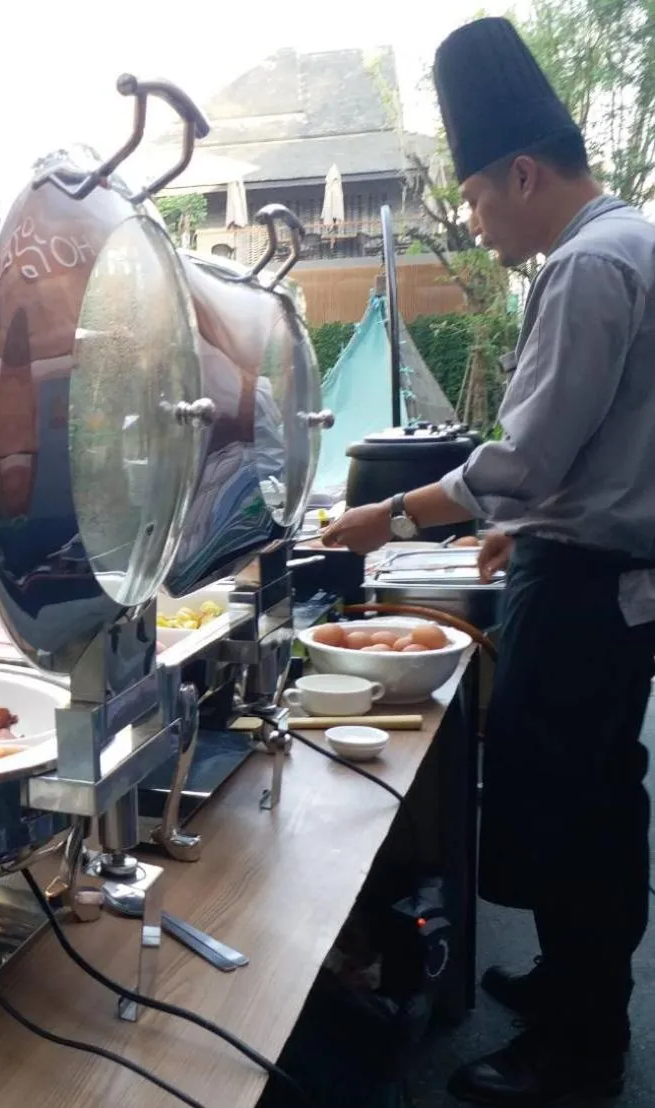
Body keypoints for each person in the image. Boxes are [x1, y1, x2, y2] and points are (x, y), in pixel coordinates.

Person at [322, 17, 655, 1104]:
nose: (472, 219)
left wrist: (386, 518)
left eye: (470, 197)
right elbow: (597, 446)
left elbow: (515, 457)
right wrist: (537, 516)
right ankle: (572, 985)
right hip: (607, 575)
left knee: (569, 807)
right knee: (600, 797)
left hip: (585, 596)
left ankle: (579, 1051)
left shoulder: (588, 263)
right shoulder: (635, 242)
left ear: (520, 172)